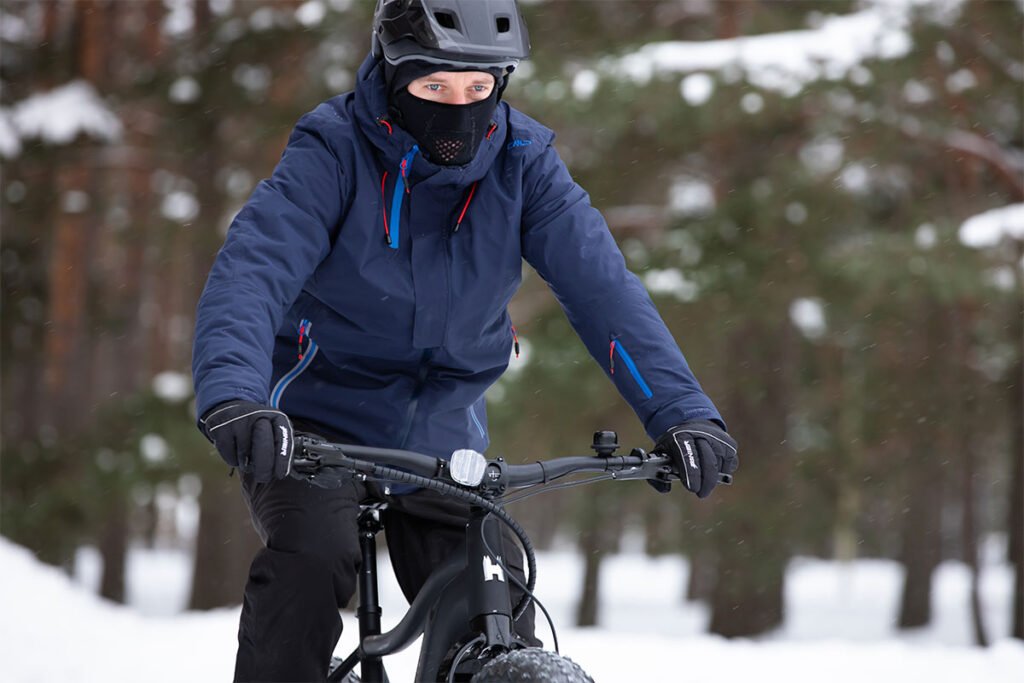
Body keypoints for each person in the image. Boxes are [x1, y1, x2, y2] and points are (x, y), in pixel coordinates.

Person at [192, 1, 739, 680]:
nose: (460, 110)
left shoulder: (524, 163)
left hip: (443, 431)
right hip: (311, 425)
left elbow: (605, 292)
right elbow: (253, 270)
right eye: (435, 88)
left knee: (497, 600)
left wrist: (681, 411)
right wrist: (236, 396)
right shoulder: (333, 149)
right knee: (310, 559)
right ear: (394, 76)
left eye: (479, 89)